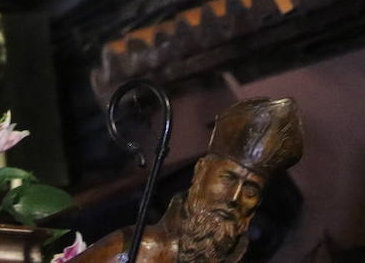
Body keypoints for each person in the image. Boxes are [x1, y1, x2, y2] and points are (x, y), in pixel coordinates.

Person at [75, 97, 305, 263]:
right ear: (201, 174)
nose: (234, 198)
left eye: (250, 191)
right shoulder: (135, 249)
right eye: (228, 178)